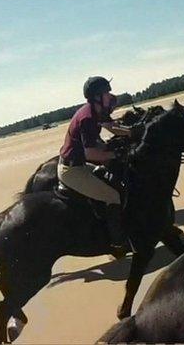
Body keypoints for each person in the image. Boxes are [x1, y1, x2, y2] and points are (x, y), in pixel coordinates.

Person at [58, 76, 133, 250]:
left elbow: (112, 126)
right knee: (112, 196)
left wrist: (132, 133)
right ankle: (117, 243)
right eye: (106, 92)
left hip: (78, 165)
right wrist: (116, 154)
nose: (110, 95)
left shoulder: (97, 110)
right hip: (72, 171)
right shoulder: (87, 117)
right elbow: (90, 152)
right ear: (97, 96)